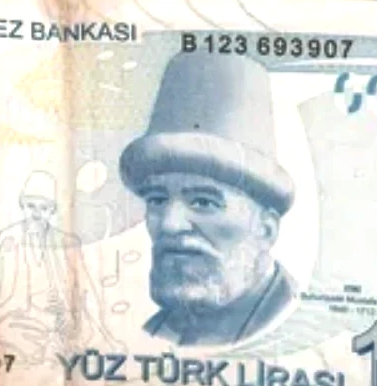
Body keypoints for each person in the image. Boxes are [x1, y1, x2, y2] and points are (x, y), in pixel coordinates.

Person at [119, 53, 299, 346]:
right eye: (157, 200)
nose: (169, 224)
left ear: (266, 229)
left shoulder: (288, 321)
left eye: (203, 202)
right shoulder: (158, 331)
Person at [0, 170, 121, 363]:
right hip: (13, 321)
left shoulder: (67, 243)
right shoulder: (2, 241)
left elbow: (85, 290)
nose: (36, 214)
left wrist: (70, 313)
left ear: (52, 211)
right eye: (31, 206)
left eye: (43, 208)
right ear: (22, 205)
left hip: (57, 323)